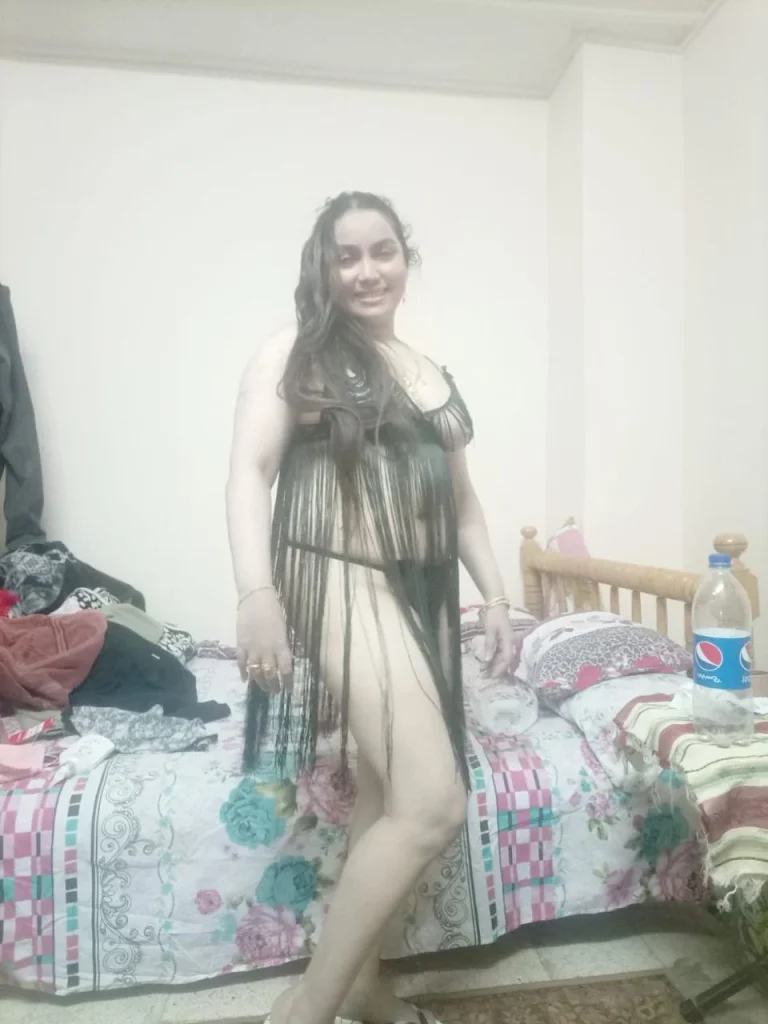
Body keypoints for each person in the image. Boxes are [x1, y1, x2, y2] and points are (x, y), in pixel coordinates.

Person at [226, 192, 517, 1024]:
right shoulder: (297, 352)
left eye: (381, 251)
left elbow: (462, 503)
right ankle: (306, 1009)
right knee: (433, 804)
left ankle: (362, 986)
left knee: (389, 794)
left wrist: (497, 596)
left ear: (405, 259)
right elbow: (249, 472)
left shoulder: (427, 369)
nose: (365, 270)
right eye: (345, 256)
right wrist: (256, 593)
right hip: (340, 579)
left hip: (421, 594)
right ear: (323, 268)